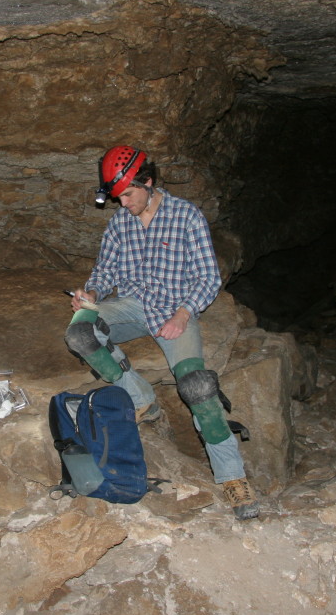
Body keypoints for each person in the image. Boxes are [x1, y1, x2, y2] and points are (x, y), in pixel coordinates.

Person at [64, 145, 259, 520]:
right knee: (79, 332)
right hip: (133, 305)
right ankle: (139, 396)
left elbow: (207, 277)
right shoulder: (120, 224)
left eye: (128, 195)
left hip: (175, 308)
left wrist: (184, 314)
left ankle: (233, 479)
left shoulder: (186, 216)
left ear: (148, 183)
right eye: (118, 197)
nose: (123, 205)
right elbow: (105, 272)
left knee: (197, 386)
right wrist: (91, 293)